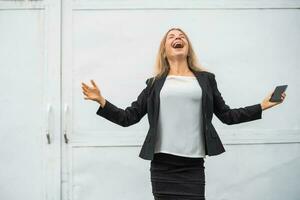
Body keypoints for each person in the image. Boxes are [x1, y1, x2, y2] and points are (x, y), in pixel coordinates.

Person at [81, 28, 286, 200]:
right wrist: (102, 101)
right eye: (171, 36)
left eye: (181, 36)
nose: (177, 38)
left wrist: (262, 105)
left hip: (193, 165)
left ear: (187, 48)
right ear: (164, 51)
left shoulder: (206, 80)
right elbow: (129, 118)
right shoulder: (154, 84)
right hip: (163, 165)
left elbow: (228, 116)